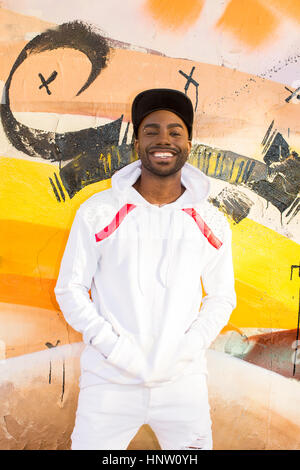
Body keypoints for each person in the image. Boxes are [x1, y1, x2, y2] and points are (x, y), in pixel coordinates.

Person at [54, 88, 236, 450]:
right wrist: (115, 349)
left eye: (174, 131)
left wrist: (185, 350)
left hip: (182, 385)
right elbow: (69, 289)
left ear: (189, 142)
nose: (163, 140)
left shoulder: (210, 220)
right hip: (109, 382)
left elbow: (221, 297)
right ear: (137, 141)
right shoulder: (99, 211)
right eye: (151, 131)